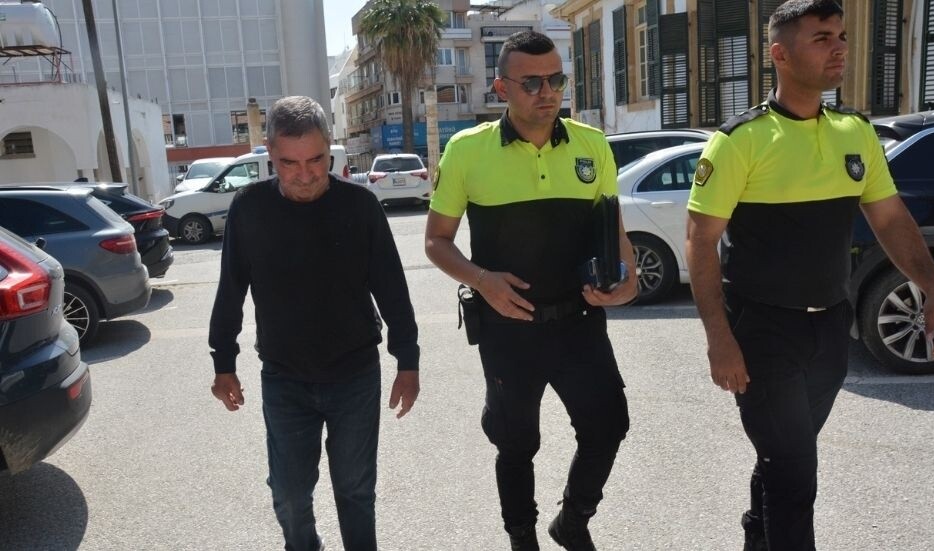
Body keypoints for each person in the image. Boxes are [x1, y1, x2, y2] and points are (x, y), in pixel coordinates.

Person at [685, 2, 934, 550]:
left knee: (786, 455)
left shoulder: (854, 131)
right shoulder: (740, 140)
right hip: (762, 330)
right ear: (780, 55)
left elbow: (890, 219)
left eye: (841, 36)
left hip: (831, 325)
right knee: (794, 476)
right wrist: (719, 338)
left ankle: (756, 539)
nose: (839, 48)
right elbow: (700, 240)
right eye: (821, 38)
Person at [425, 31, 637, 551]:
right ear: (502, 88)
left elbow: (614, 231)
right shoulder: (467, 150)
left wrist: (627, 281)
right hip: (508, 329)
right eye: (532, 83)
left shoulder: (592, 145)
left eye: (556, 79)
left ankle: (574, 520)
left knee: (608, 426)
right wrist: (481, 280)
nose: (548, 92)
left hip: (580, 324)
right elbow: (436, 241)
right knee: (517, 443)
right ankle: (522, 537)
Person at [208, 95, 420, 551]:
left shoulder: (361, 207)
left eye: (316, 160)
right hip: (284, 377)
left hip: (355, 375)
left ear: (330, 148)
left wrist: (408, 360)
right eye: (290, 163)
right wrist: (223, 362)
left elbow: (392, 289)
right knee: (288, 493)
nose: (305, 175)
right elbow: (230, 290)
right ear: (270, 154)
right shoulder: (249, 209)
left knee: (356, 490)